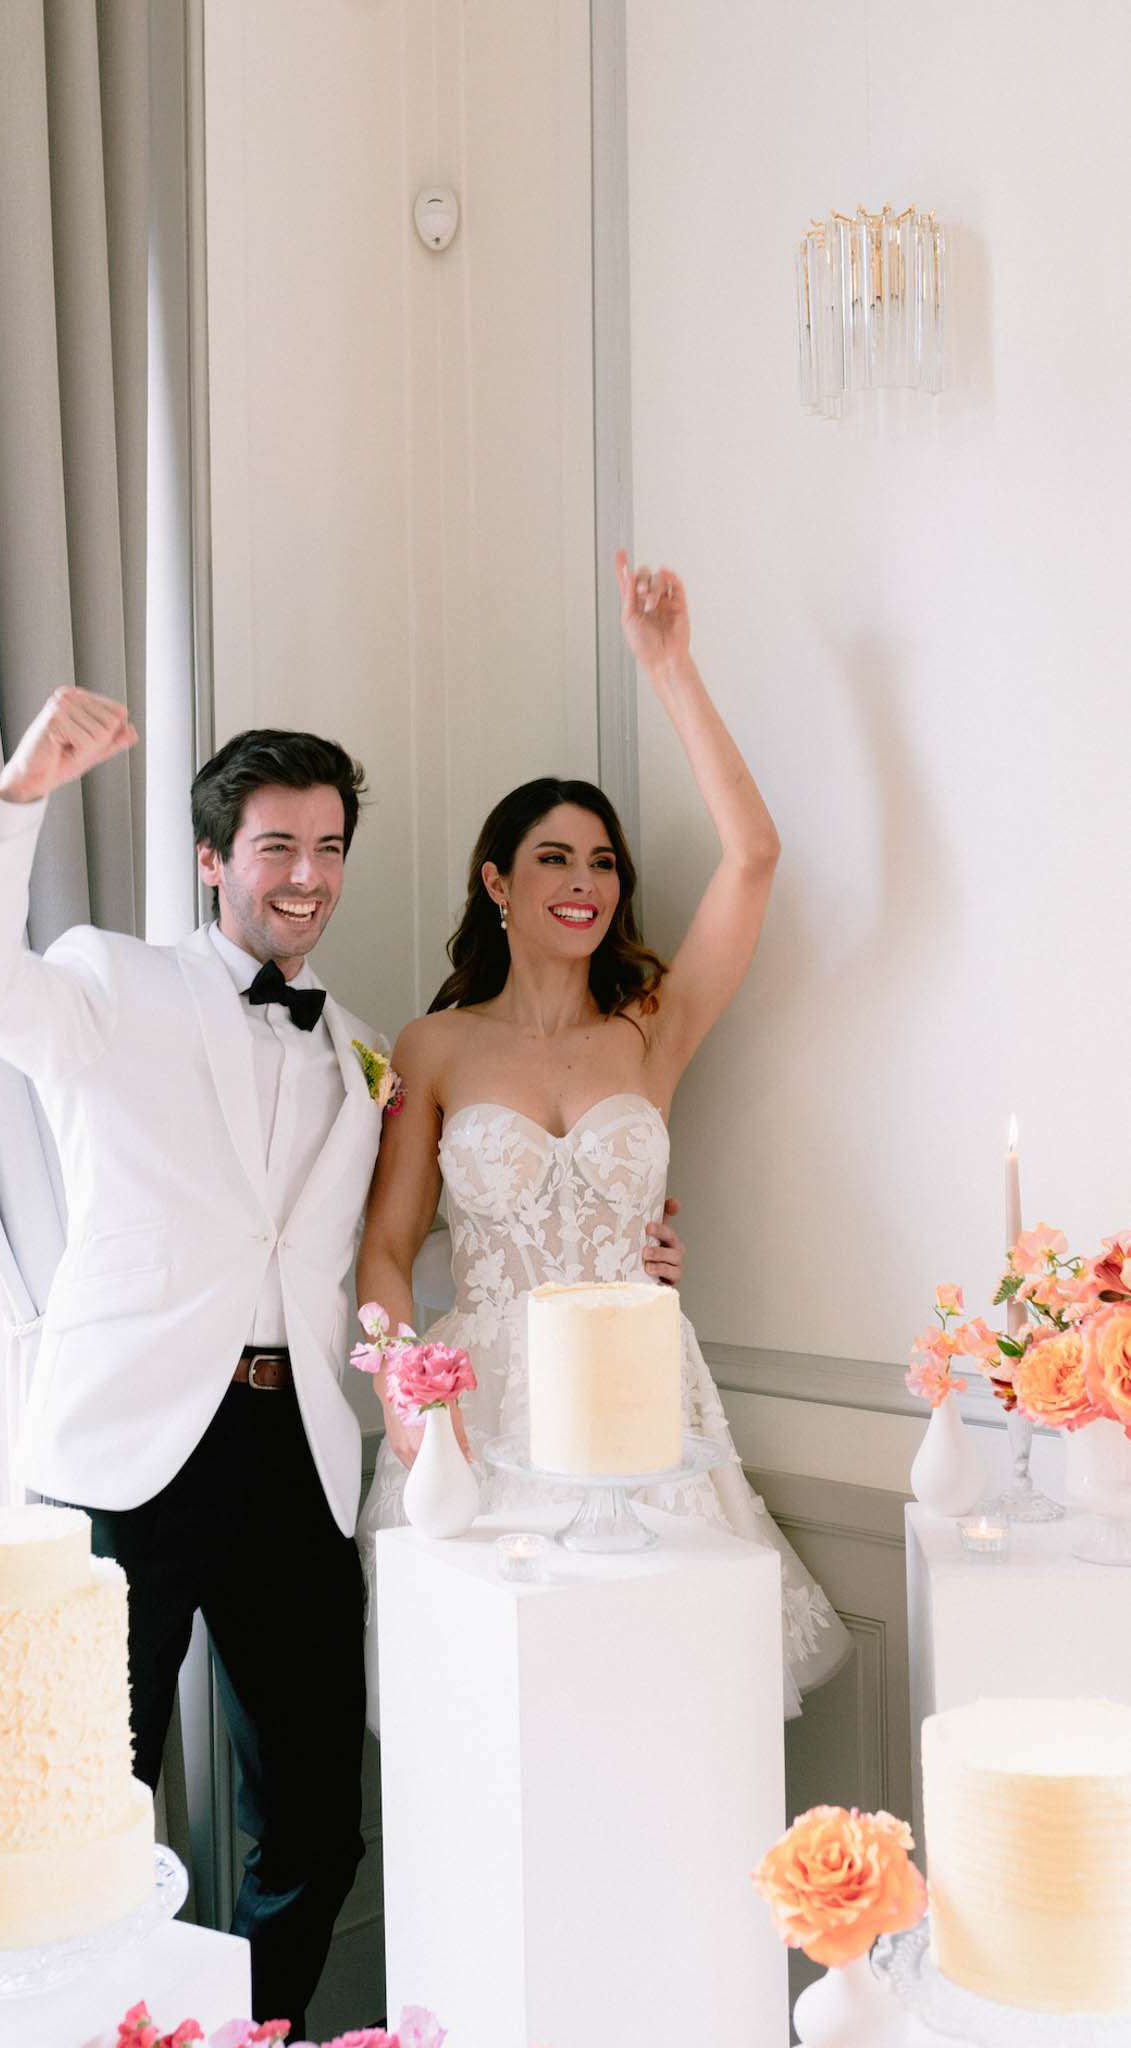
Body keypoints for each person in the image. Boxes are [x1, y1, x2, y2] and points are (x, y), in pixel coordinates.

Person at [0, 693, 697, 2023]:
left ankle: (249, 2030)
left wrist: (615, 1261)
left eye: (328, 847)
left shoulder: (357, 1047)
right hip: (130, 1452)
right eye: (275, 846)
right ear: (214, 860)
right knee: (81, 1815)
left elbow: (392, 1244)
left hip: (295, 1459)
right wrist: (16, 802)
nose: (306, 876)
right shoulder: (113, 982)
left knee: (319, 1827)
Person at [357, 552, 851, 1721]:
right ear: (497, 881)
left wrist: (670, 670)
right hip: (485, 1405)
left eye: (603, 861)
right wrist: (403, 1386)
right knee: (508, 1714)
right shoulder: (429, 1047)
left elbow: (754, 856)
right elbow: (384, 1247)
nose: (584, 882)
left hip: (640, 1392)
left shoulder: (651, 1028)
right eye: (553, 858)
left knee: (661, 1695)